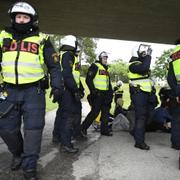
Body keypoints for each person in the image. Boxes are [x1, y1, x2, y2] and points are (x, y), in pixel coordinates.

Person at [0, 2, 63, 180]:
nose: (21, 20)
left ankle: (29, 168)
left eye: (25, 17)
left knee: (33, 130)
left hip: (33, 91)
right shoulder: (3, 36)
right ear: (13, 18)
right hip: (9, 91)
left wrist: (57, 85)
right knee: (5, 128)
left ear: (32, 19)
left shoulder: (42, 39)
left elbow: (54, 66)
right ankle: (18, 153)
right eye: (18, 17)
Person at [52, 35, 84, 153]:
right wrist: (75, 90)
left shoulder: (63, 55)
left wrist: (80, 87)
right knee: (68, 117)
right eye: (76, 43)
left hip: (64, 89)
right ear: (72, 44)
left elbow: (73, 75)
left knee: (62, 114)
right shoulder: (68, 56)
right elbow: (67, 75)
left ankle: (57, 136)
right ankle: (65, 144)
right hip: (67, 90)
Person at [81, 51, 113, 136]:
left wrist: (110, 93)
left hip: (106, 95)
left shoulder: (105, 69)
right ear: (100, 58)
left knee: (106, 112)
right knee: (95, 112)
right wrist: (93, 91)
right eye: (104, 58)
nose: (106, 60)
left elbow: (108, 83)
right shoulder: (95, 66)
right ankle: (83, 128)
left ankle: (104, 130)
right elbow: (88, 79)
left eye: (106, 58)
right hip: (98, 94)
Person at [128, 44, 153, 150]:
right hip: (139, 94)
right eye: (142, 53)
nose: (144, 55)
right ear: (136, 53)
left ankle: (136, 132)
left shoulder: (141, 63)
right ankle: (139, 142)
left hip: (145, 94)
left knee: (146, 116)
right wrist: (148, 56)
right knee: (141, 117)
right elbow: (144, 68)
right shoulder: (133, 65)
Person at [167, 43, 180, 150]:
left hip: (176, 93)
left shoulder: (173, 62)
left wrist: (177, 93)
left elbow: (170, 79)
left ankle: (176, 143)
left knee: (176, 120)